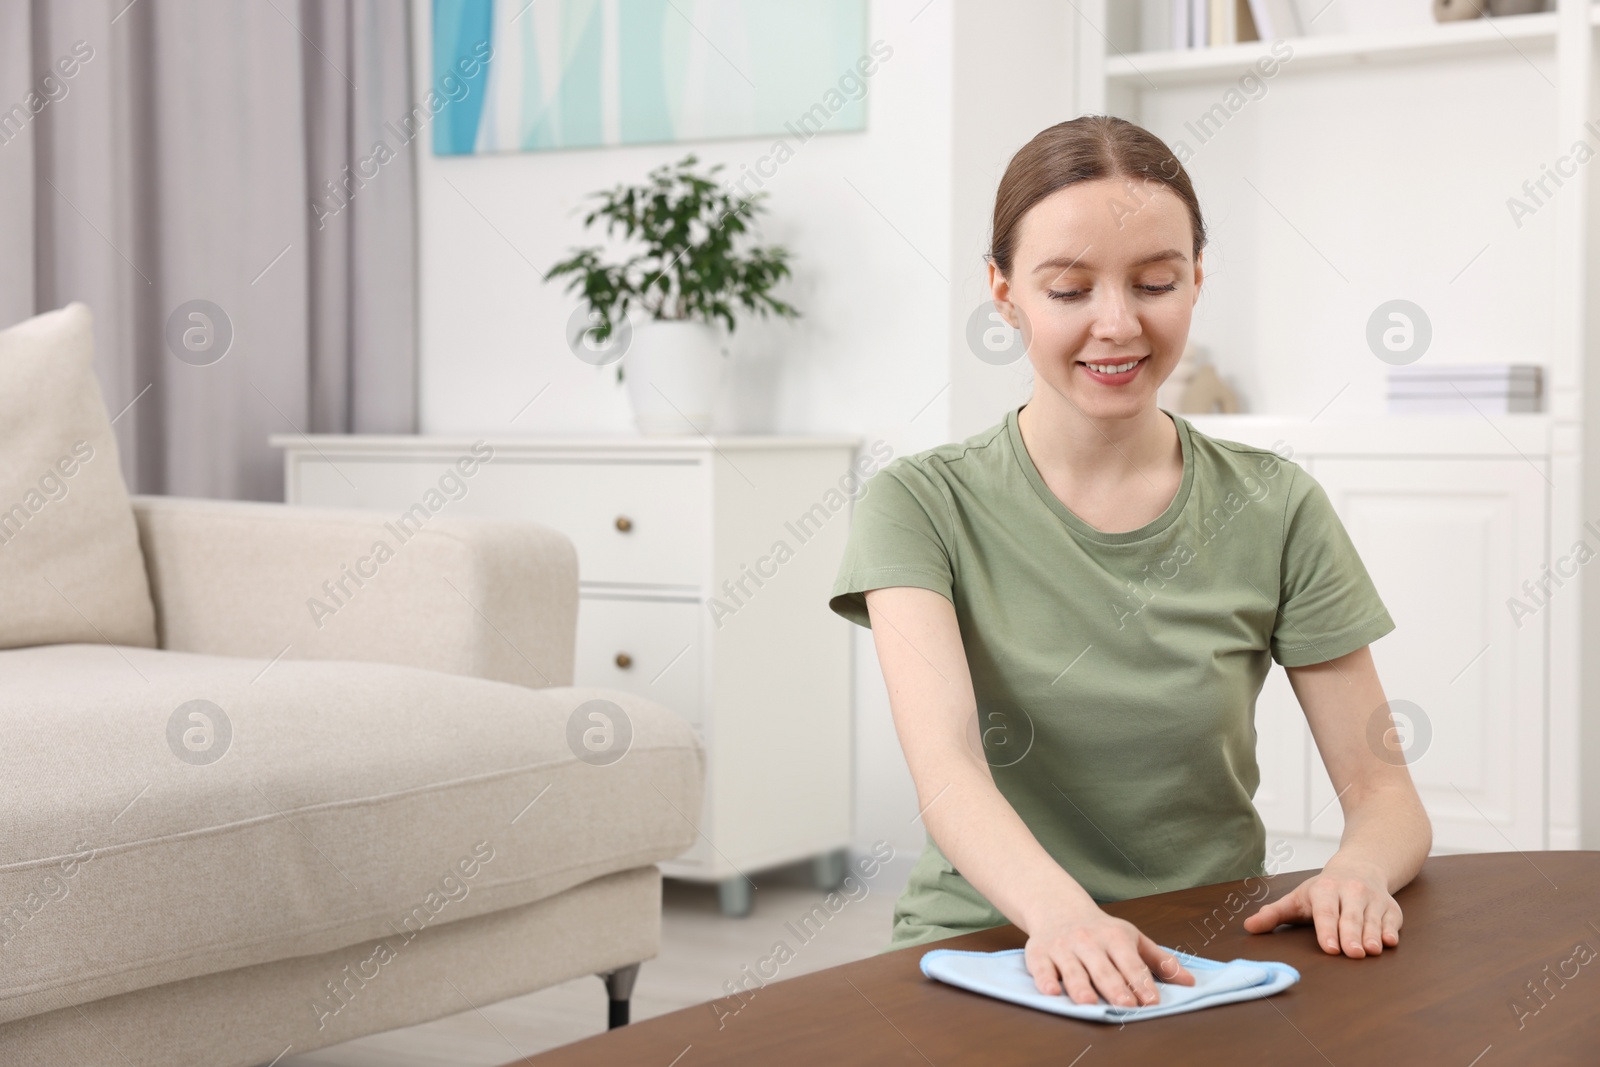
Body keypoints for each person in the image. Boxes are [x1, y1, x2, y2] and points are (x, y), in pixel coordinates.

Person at [827, 115, 1432, 1010]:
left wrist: (1358, 869)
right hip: (993, 943)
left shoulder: (1277, 506)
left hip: (1206, 949)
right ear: (1003, 295)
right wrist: (1065, 918)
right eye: (1069, 290)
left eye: (1155, 282)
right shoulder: (920, 504)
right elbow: (950, 771)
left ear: (1194, 282)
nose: (1119, 324)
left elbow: (1384, 787)